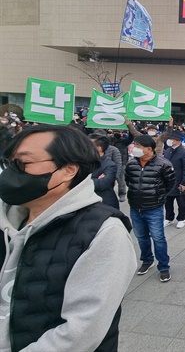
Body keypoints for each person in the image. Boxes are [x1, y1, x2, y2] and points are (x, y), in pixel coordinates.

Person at [0, 125, 136, 351]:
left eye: (23, 164)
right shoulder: (7, 220)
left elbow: (80, 331)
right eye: (9, 163)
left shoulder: (103, 231)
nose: (12, 173)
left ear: (68, 170)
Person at [125, 135, 176, 282]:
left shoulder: (163, 164)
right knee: (141, 237)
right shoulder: (131, 164)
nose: (134, 149)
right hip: (135, 207)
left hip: (154, 208)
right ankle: (147, 260)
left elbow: (170, 183)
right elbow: (129, 181)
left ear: (149, 149)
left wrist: (158, 195)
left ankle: (164, 266)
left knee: (158, 238)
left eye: (138, 146)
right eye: (134, 145)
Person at [163, 130, 185, 228]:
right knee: (168, 201)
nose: (169, 141)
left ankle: (181, 218)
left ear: (177, 140)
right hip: (167, 181)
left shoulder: (184, 152)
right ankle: (169, 218)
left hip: (179, 181)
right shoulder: (167, 150)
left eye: (171, 139)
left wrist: (184, 183)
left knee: (181, 202)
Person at [90, 135, 119, 209]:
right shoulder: (84, 162)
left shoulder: (109, 165)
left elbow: (102, 184)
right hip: (88, 201)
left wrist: (85, 182)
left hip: (104, 204)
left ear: (99, 148)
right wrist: (96, 179)